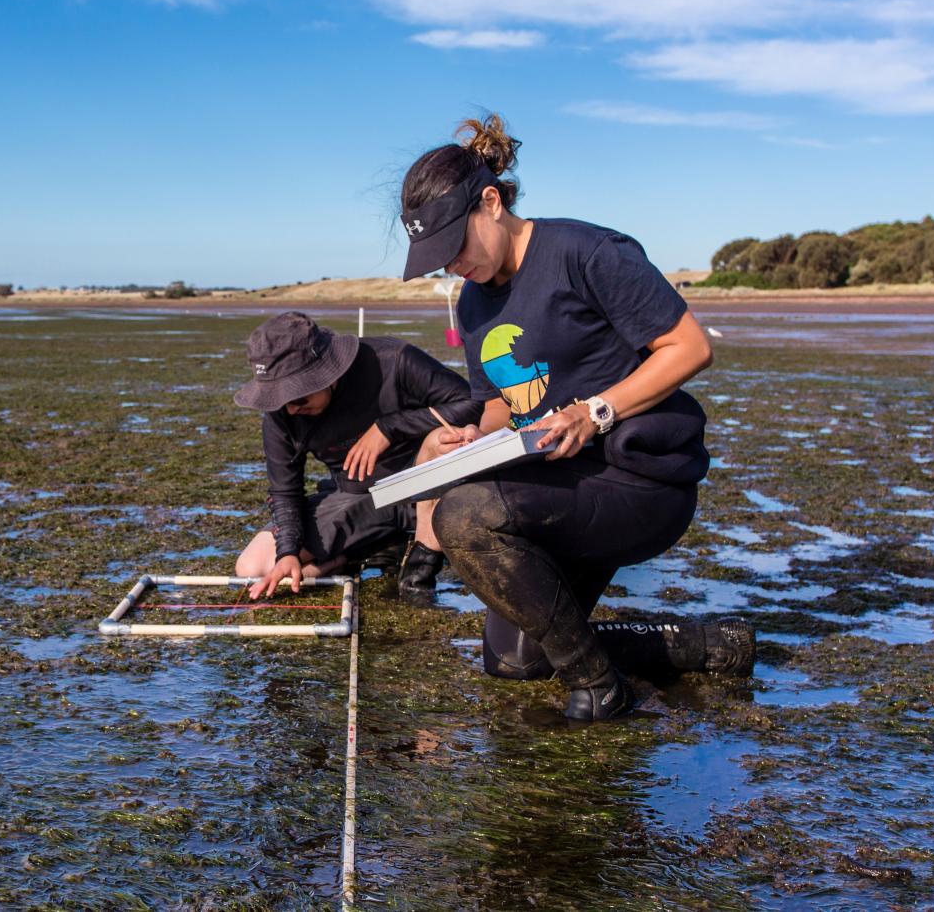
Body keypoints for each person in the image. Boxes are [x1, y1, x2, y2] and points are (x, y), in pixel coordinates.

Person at [397, 113, 753, 721]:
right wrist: (461, 437)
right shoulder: (476, 300)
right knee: (513, 661)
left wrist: (594, 414)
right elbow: (501, 405)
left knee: (466, 514)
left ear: (491, 202)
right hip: (557, 487)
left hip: (637, 482)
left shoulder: (588, 252)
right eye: (437, 259)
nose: (450, 266)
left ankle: (601, 689)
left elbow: (690, 347)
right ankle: (706, 644)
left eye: (454, 247)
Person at [232, 311, 482, 604]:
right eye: (280, 401)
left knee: (450, 440)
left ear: (326, 373)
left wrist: (390, 427)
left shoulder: (393, 360)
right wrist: (287, 551)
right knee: (252, 567)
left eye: (298, 398)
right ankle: (360, 551)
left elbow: (472, 403)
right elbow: (285, 490)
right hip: (362, 499)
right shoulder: (283, 413)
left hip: (429, 491)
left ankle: (419, 545)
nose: (290, 410)